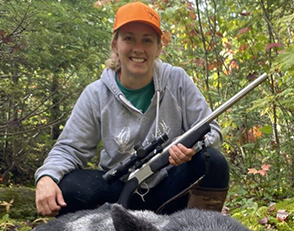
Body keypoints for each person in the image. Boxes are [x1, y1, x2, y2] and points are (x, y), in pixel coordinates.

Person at [34, 2, 229, 216]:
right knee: (68, 187)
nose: (138, 48)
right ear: (115, 45)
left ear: (158, 48)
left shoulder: (177, 80)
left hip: (170, 188)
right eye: (129, 38)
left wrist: (193, 149)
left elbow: (213, 131)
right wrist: (46, 177)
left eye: (147, 40)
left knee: (213, 162)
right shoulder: (96, 94)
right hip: (118, 187)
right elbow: (69, 149)